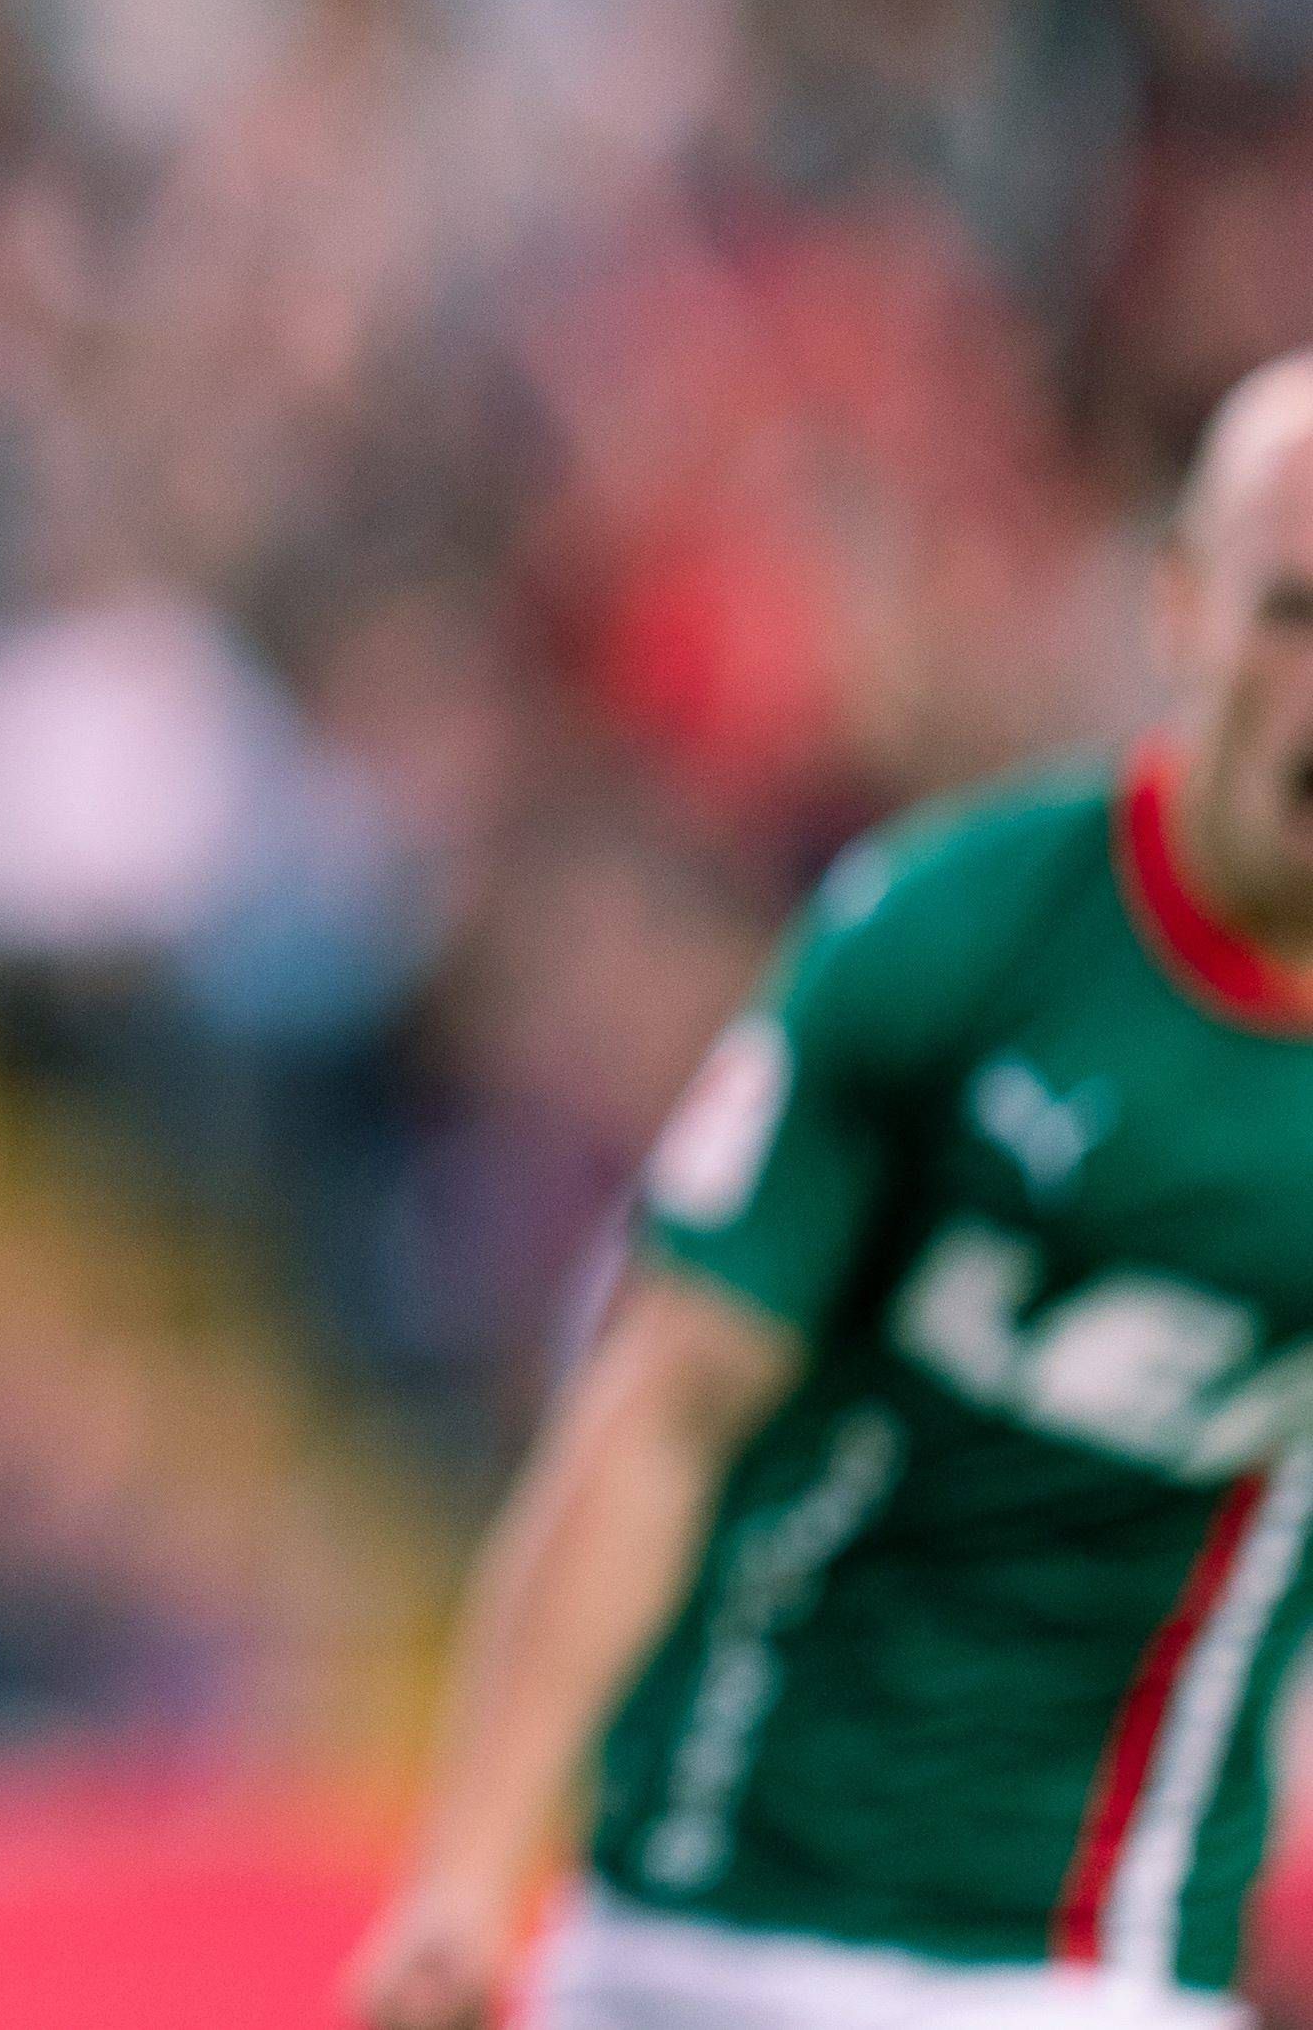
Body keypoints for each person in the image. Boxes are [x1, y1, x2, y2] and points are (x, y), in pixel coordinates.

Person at [352, 354, 1313, 2030]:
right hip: (713, 1907)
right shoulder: (954, 931)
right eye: (1295, 611)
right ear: (1178, 607)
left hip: (1088, 1955)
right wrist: (462, 1879)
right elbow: (660, 1406)